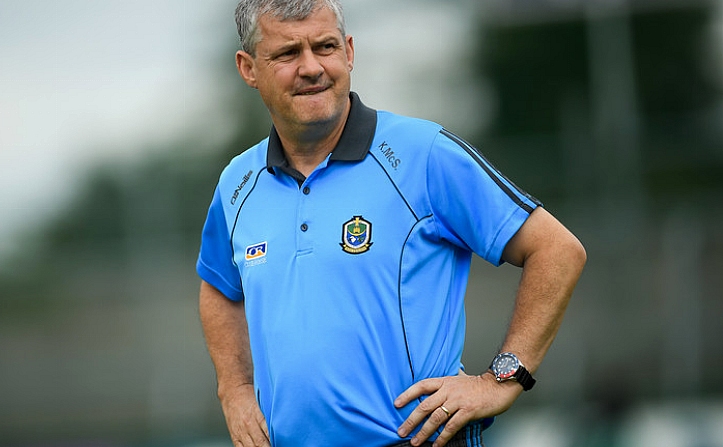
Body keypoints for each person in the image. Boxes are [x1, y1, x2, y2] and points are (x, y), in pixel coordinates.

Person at [197, 1, 586, 446]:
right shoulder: (237, 183)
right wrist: (236, 390)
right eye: (287, 54)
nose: (311, 68)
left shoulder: (423, 154)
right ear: (248, 68)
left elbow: (556, 250)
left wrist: (502, 379)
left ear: (349, 52)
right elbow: (218, 286)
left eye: (324, 47)